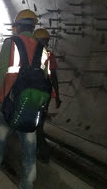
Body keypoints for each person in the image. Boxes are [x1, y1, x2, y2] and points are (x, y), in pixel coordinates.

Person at [0, 9, 49, 189]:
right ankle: (27, 184)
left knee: (0, 139)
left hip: (9, 104)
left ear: (17, 27)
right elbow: (45, 78)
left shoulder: (11, 43)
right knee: (29, 147)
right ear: (33, 27)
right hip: (30, 105)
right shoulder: (42, 49)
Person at [33, 28, 62, 163]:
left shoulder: (29, 54)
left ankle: (42, 152)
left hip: (32, 94)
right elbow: (53, 78)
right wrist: (57, 97)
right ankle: (40, 150)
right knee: (39, 124)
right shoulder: (50, 55)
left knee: (35, 125)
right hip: (45, 94)